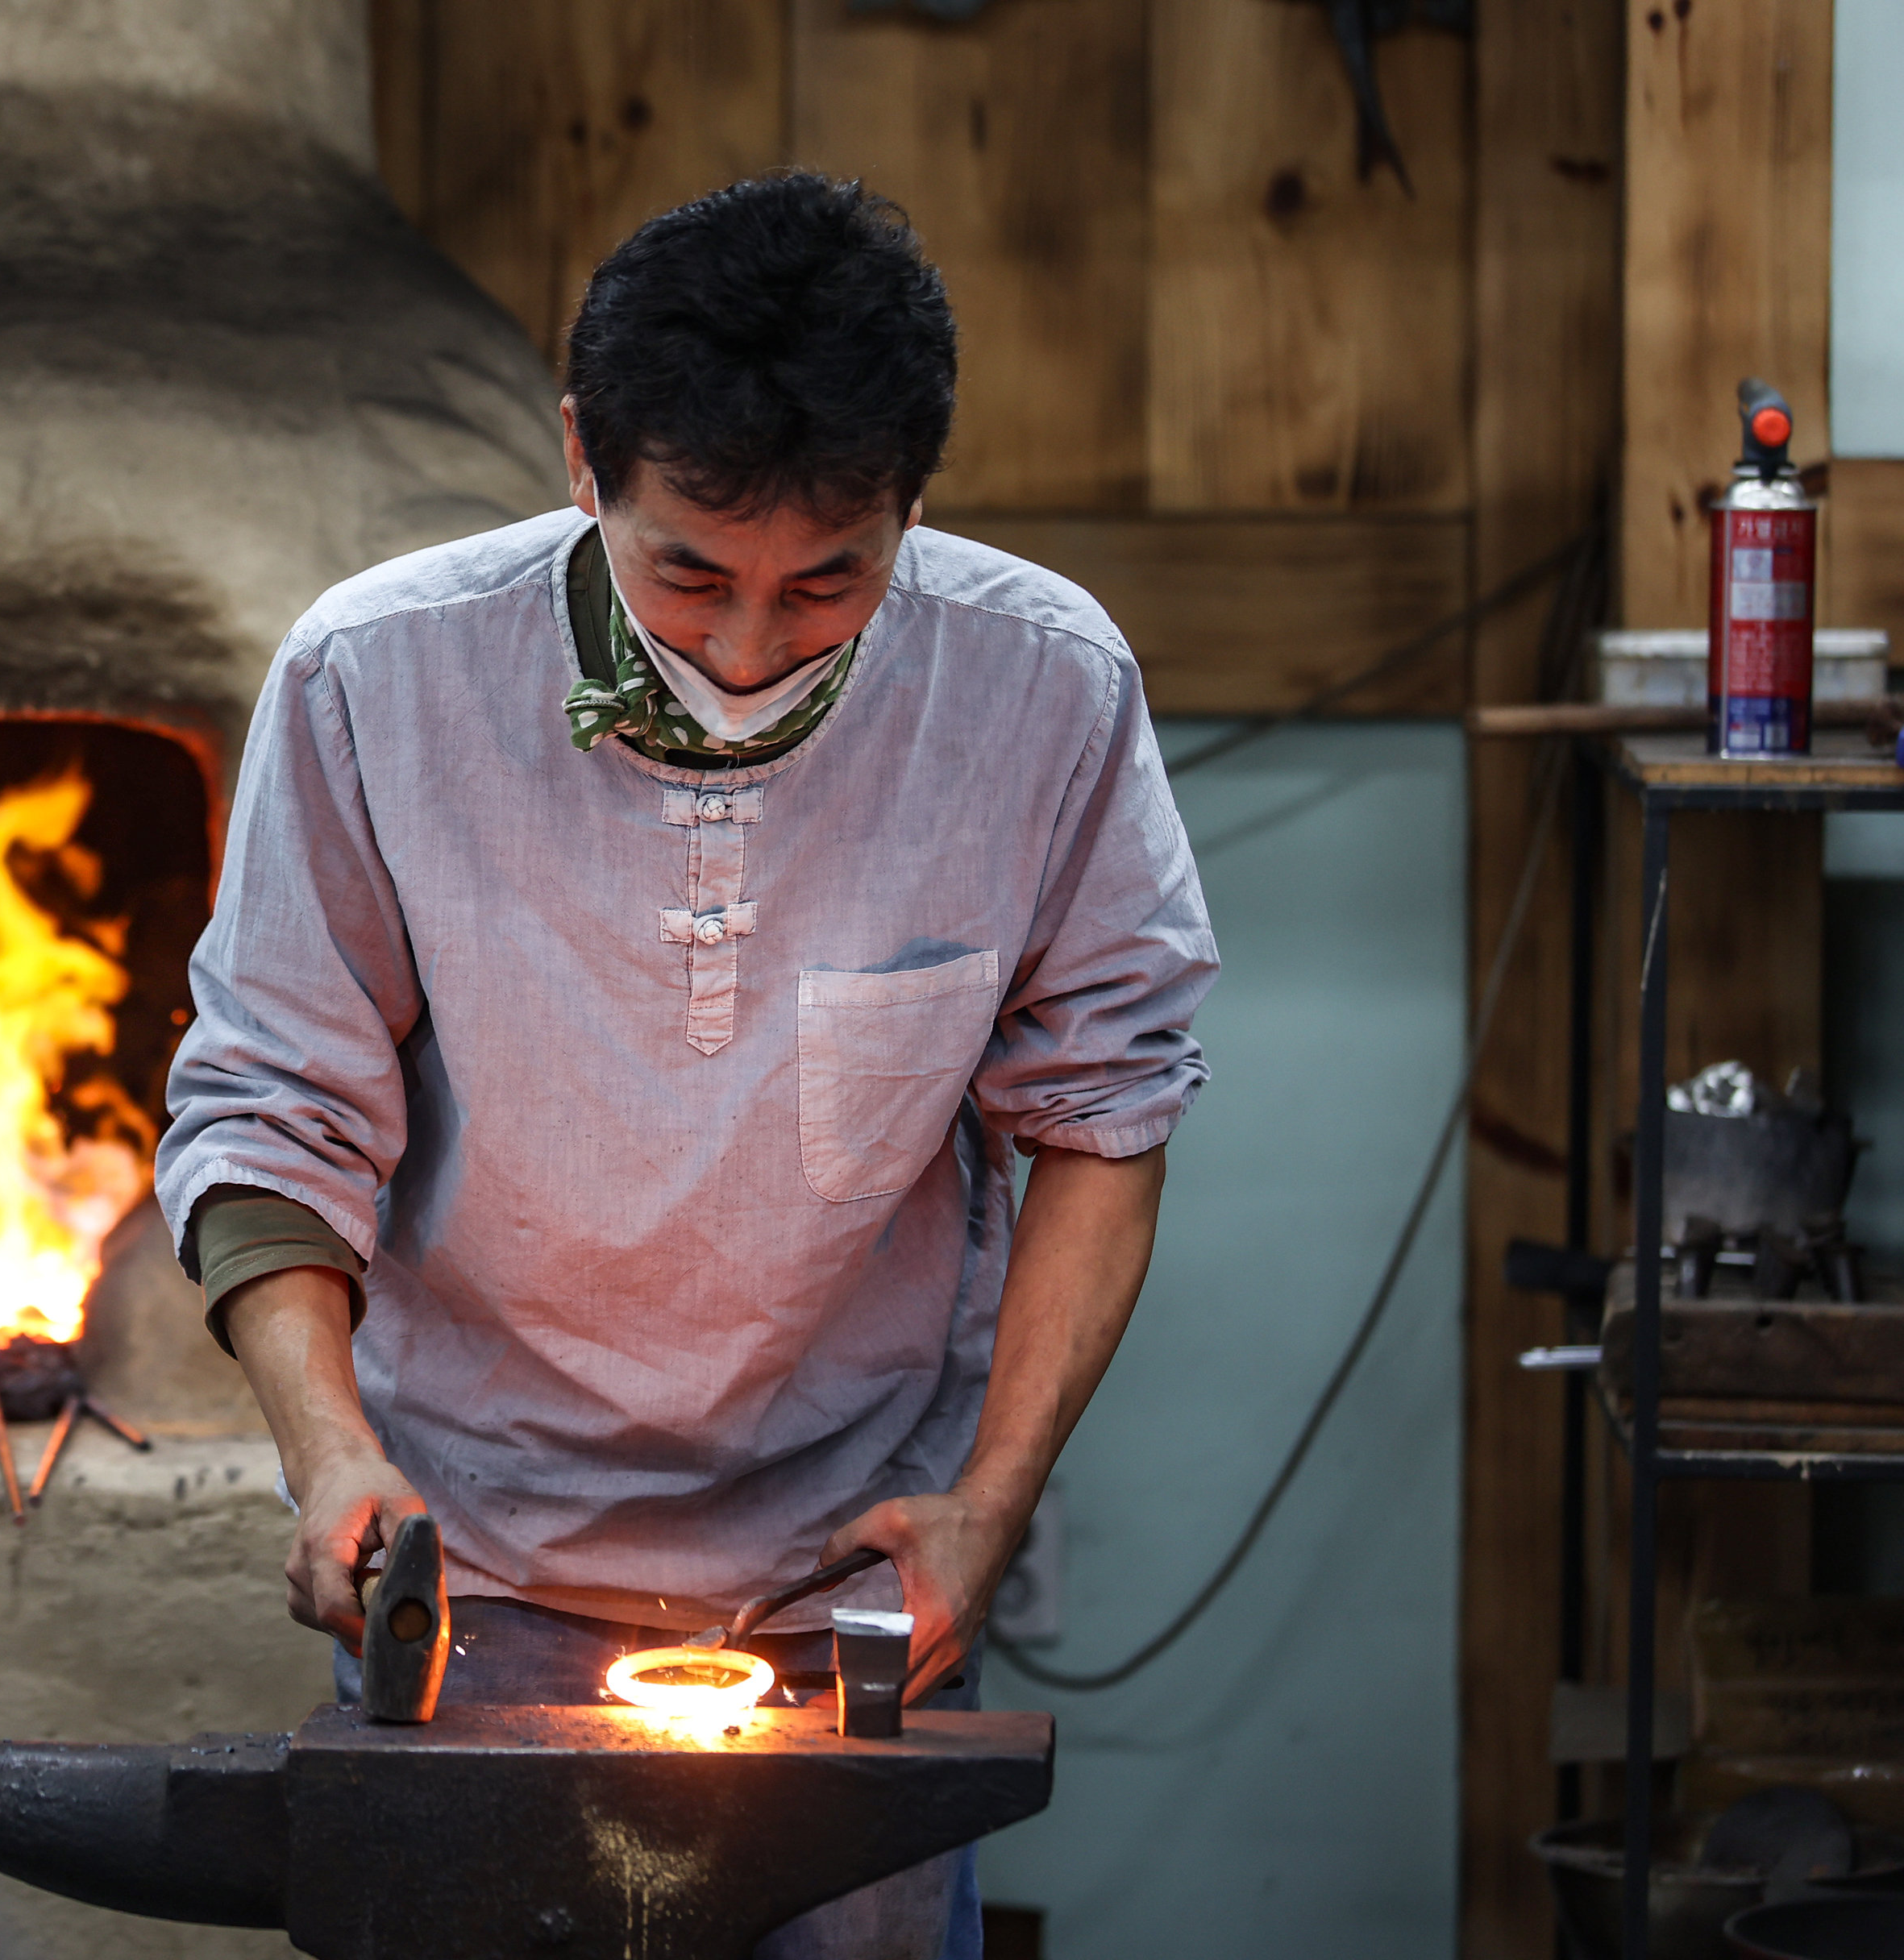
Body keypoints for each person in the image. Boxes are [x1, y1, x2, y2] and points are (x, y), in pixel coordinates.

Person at [155, 172, 1216, 1960]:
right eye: (688, 573)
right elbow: (272, 1107)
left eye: (829, 585)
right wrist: (333, 1459)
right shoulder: (376, 679)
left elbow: (1104, 1117)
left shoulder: (1042, 688)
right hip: (473, 1566)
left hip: (849, 1581)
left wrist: (985, 1509)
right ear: (585, 459)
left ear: (913, 507)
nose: (743, 649)